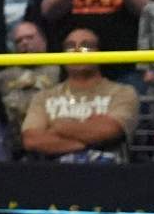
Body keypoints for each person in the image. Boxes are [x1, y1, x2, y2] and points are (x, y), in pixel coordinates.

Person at [20, 28, 139, 162]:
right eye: (70, 47)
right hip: (55, 172)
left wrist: (58, 126)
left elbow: (109, 130)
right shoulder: (43, 97)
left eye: (86, 46)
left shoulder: (122, 92)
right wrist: (87, 140)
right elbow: (31, 140)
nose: (77, 51)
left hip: (107, 171)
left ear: (99, 52)